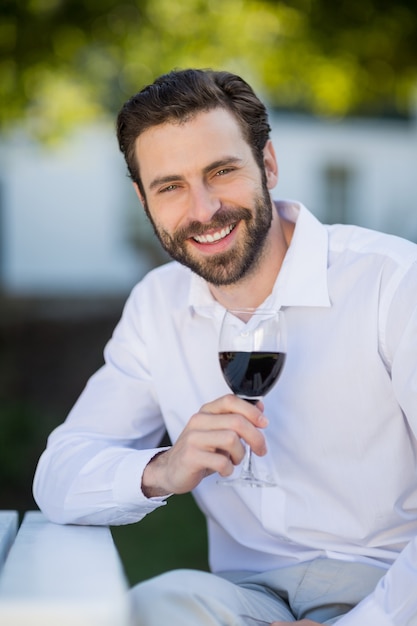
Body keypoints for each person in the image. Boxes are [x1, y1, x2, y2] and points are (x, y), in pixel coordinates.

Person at [33, 69, 417, 626]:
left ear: (268, 164)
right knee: (156, 606)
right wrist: (165, 468)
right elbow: (60, 474)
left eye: (222, 171)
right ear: (143, 198)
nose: (204, 209)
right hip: (249, 598)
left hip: (389, 586)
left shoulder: (393, 283)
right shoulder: (157, 305)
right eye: (171, 186)